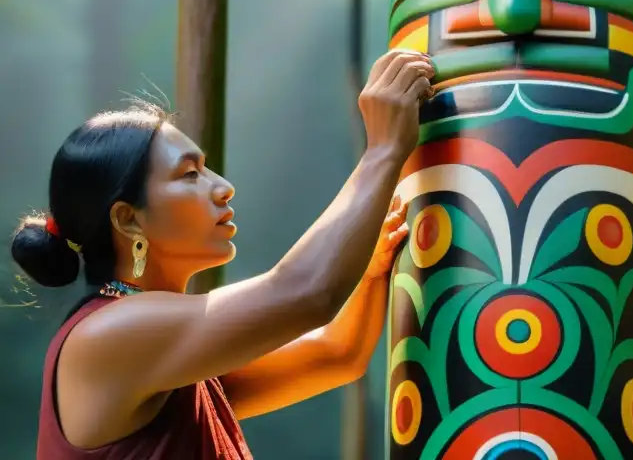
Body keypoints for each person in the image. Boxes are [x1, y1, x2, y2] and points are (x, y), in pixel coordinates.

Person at [10, 49, 434, 459]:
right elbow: (306, 293)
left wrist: (373, 270)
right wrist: (382, 151)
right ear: (129, 220)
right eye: (190, 174)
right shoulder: (110, 337)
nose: (222, 186)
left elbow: (336, 355)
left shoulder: (165, 353)